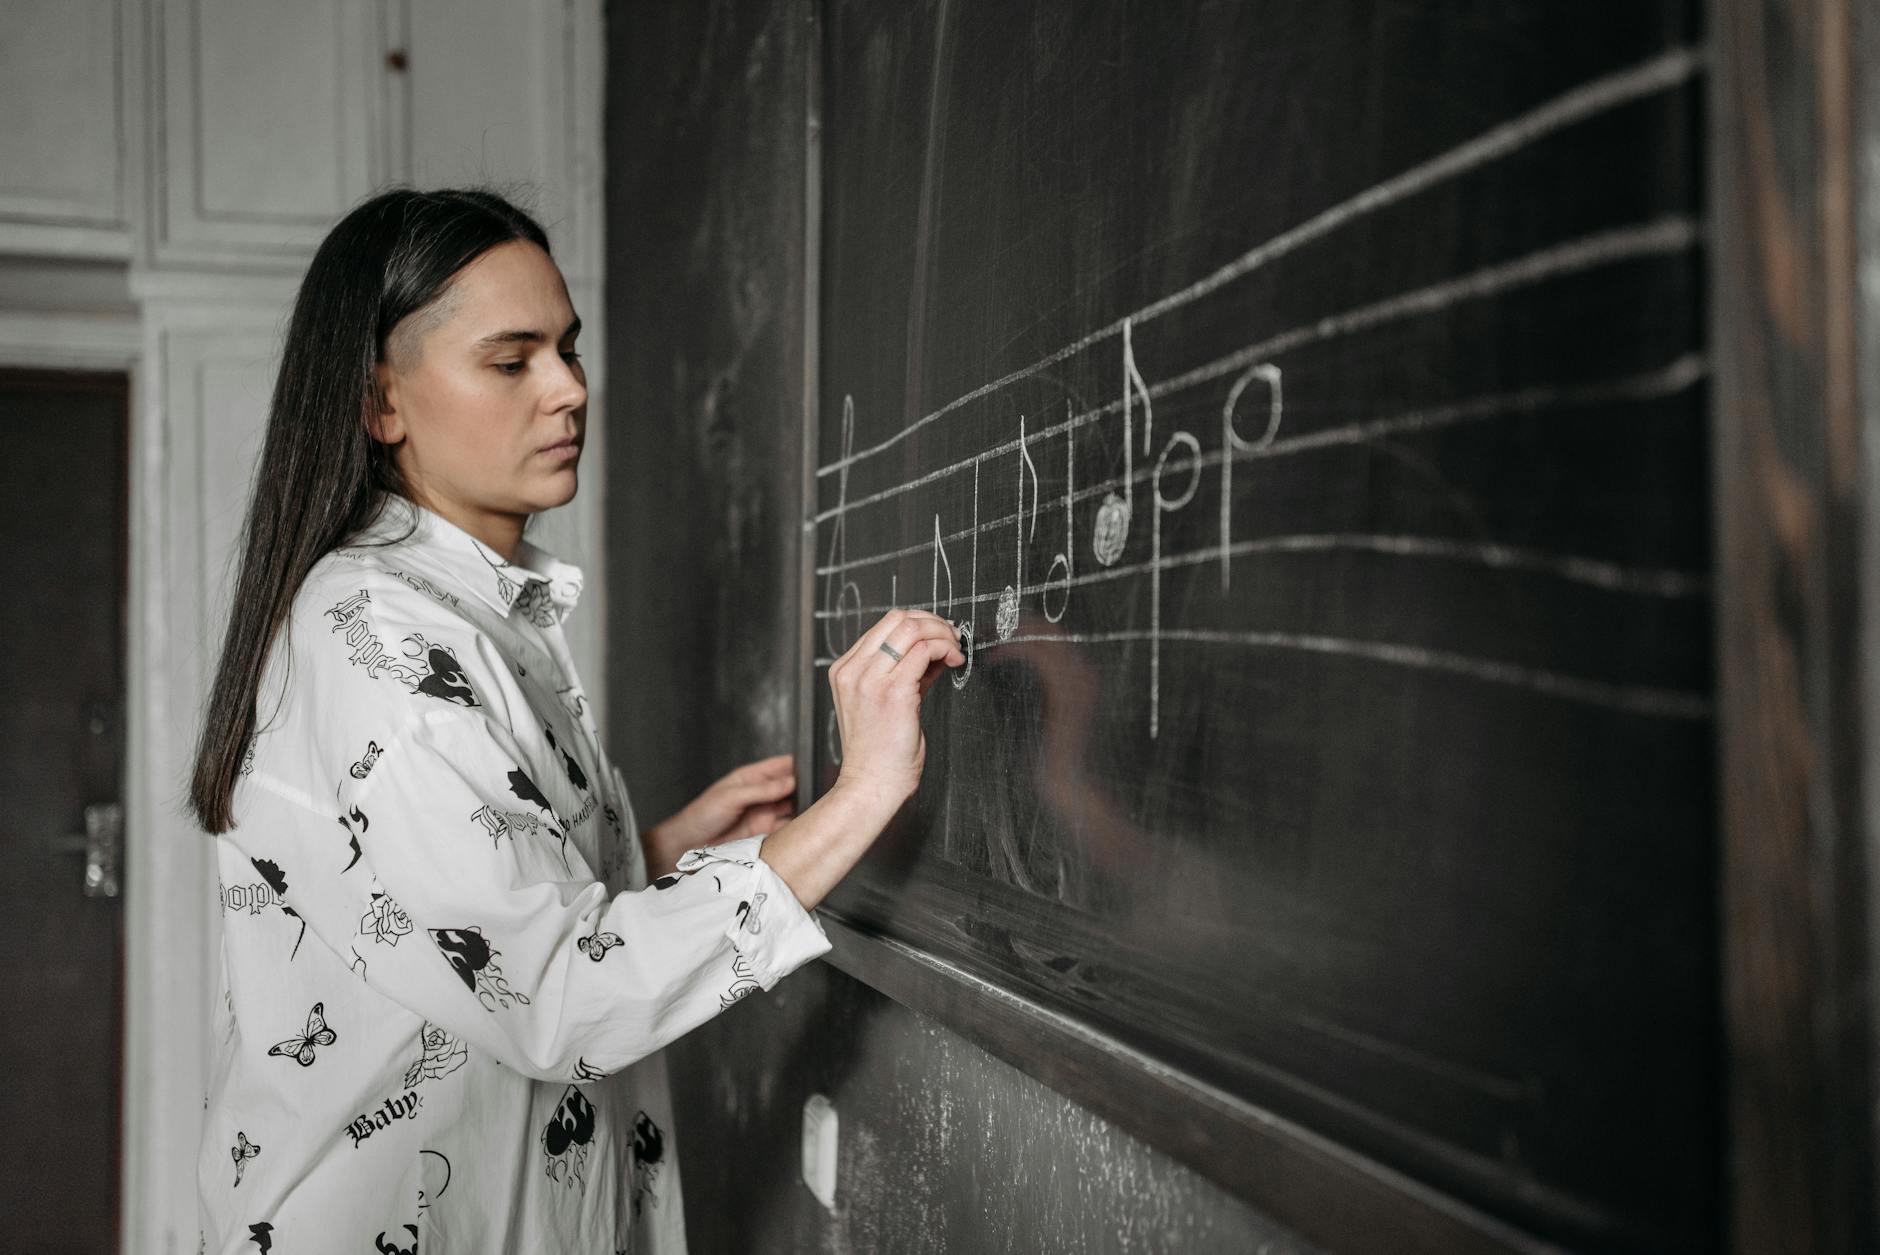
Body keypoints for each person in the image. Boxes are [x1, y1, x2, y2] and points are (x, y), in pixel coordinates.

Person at [186, 187, 964, 1254]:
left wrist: (646, 853)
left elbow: (444, 906)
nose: (568, 391)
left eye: (568, 348)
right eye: (511, 362)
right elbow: (554, 996)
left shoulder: (468, 610)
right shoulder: (379, 643)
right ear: (382, 404)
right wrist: (864, 791)